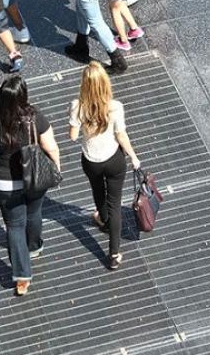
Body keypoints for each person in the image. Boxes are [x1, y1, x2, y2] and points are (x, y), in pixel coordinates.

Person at [0, 76, 61, 296]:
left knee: (14, 225)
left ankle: (22, 277)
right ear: (23, 95)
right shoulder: (35, 117)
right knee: (34, 212)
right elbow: (51, 147)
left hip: (4, 182)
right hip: (34, 178)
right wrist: (56, 169)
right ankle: (33, 246)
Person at [69, 62, 140, 270]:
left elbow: (72, 137)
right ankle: (114, 253)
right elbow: (121, 135)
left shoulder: (77, 105)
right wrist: (134, 157)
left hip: (91, 160)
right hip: (114, 159)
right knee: (115, 202)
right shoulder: (115, 107)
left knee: (98, 191)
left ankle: (104, 220)